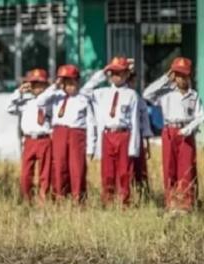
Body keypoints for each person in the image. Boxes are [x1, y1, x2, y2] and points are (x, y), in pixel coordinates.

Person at [143, 57, 204, 212]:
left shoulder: (194, 95)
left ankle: (186, 203)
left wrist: (190, 128)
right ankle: (171, 202)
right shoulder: (166, 93)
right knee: (169, 166)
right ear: (173, 75)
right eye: (177, 75)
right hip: (169, 131)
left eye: (184, 75)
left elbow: (201, 115)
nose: (180, 79)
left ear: (189, 76)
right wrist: (165, 78)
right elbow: (147, 94)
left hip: (186, 132)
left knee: (186, 168)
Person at [82, 57, 141, 206]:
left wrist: (133, 147)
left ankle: (124, 203)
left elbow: (134, 121)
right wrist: (102, 73)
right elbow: (85, 91)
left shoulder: (132, 95)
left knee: (124, 171)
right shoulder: (102, 93)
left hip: (123, 134)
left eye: (120, 73)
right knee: (107, 171)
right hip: (107, 135)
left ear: (127, 74)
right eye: (113, 72)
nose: (116, 76)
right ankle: (107, 202)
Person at [35, 65, 97, 203]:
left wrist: (91, 147)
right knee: (59, 166)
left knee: (77, 167)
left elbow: (91, 124)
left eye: (72, 83)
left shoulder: (83, 99)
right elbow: (39, 101)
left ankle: (78, 199)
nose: (69, 86)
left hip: (77, 133)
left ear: (78, 82)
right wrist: (55, 85)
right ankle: (60, 197)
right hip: (59, 132)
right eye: (66, 83)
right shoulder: (56, 95)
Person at [7, 68, 52, 203]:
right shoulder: (25, 102)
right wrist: (19, 92)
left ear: (46, 86)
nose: (37, 88)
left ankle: (43, 198)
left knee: (45, 171)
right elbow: (9, 108)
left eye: (40, 85)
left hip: (44, 139)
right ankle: (26, 198)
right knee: (26, 172)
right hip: (29, 140)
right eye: (34, 85)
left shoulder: (50, 102)